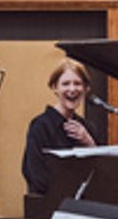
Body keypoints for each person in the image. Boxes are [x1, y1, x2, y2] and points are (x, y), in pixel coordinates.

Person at [22, 59, 97, 195]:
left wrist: (90, 144)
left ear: (86, 88)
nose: (72, 89)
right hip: (50, 207)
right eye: (65, 84)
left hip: (84, 209)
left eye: (78, 83)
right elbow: (35, 175)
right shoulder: (40, 126)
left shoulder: (88, 128)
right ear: (54, 87)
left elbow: (101, 174)